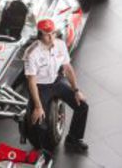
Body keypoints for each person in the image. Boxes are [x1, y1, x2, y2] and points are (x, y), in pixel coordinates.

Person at [23, 19, 89, 154]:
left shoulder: (60, 44)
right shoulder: (31, 53)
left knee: (82, 106)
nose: (51, 37)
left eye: (53, 33)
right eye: (47, 34)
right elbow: (31, 81)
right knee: (38, 119)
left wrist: (76, 90)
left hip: (57, 81)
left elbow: (68, 68)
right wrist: (38, 106)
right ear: (40, 34)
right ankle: (41, 149)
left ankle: (73, 138)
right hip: (40, 86)